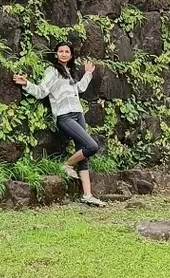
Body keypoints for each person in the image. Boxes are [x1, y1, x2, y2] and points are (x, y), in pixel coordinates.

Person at [14, 42, 107, 207]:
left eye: (67, 51)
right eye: (61, 51)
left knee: (83, 155)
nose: (64, 54)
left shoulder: (69, 73)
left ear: (71, 56)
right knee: (91, 146)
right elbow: (42, 91)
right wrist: (26, 84)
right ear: (56, 54)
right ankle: (66, 165)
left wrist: (88, 74)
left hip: (78, 114)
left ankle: (87, 195)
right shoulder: (52, 71)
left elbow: (79, 89)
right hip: (64, 116)